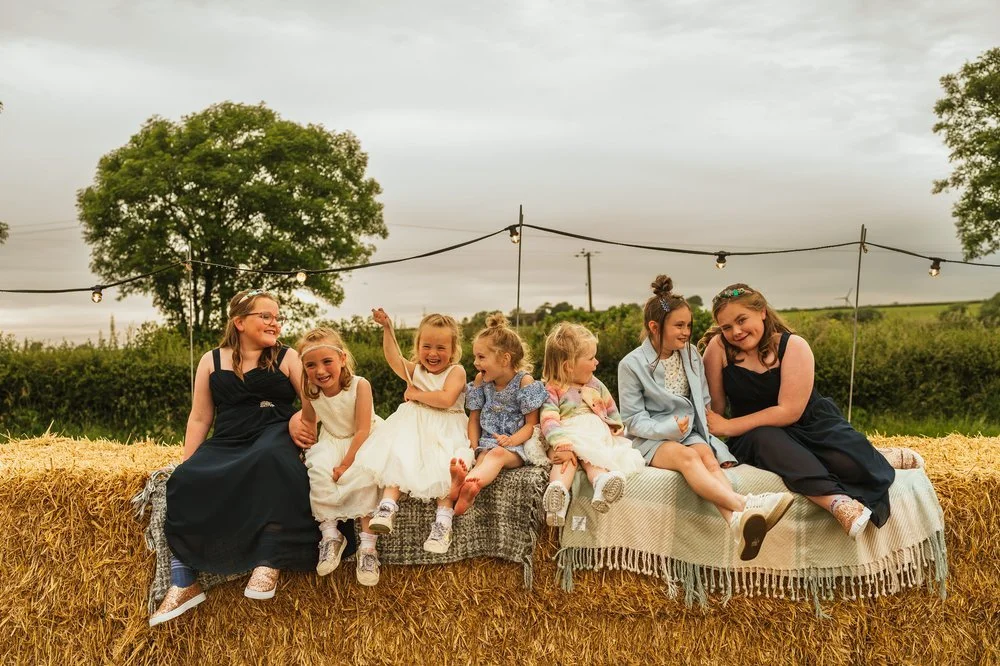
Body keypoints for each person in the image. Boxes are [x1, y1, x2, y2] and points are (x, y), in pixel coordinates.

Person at [152, 289, 345, 627]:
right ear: (239, 322)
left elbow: (315, 401)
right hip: (228, 437)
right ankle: (184, 579)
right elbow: (200, 417)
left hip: (273, 432)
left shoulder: (286, 358)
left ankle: (267, 560)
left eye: (277, 317)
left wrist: (294, 420)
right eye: (265, 316)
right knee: (184, 479)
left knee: (269, 459)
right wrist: (187, 460)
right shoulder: (211, 360)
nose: (274, 322)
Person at [618, 275, 794, 560]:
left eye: (689, 325)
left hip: (689, 432)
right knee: (688, 459)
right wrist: (668, 428)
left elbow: (703, 400)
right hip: (650, 438)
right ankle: (745, 505)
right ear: (654, 327)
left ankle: (736, 522)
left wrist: (708, 437)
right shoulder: (630, 365)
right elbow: (633, 419)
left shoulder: (690, 355)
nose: (687, 332)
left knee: (708, 459)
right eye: (679, 325)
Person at [701, 284, 896, 538]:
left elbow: (789, 411)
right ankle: (837, 503)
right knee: (768, 439)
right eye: (727, 327)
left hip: (811, 424)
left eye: (741, 320)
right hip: (755, 434)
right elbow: (714, 409)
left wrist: (727, 426)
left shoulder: (794, 346)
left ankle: (879, 455)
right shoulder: (718, 349)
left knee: (854, 466)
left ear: (761, 312)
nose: (735, 331)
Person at [353, 309, 475, 554]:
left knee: (444, 467)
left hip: (445, 429)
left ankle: (442, 524)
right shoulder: (415, 371)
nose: (432, 353)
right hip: (413, 427)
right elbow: (393, 358)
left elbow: (446, 398)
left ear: (453, 350)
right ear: (418, 346)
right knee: (398, 454)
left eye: (441, 347)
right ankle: (387, 507)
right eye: (426, 346)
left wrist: (415, 393)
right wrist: (388, 329)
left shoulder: (456, 371)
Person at [296, 327, 382, 586]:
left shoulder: (359, 385)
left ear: (343, 359)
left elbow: (363, 429)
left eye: (327, 362)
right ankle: (330, 535)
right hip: (331, 439)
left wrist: (346, 464)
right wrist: (306, 445)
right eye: (311, 365)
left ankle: (368, 548)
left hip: (362, 439)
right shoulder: (310, 391)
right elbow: (309, 421)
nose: (320, 371)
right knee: (318, 470)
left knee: (364, 475)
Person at [539, 322, 645, 527]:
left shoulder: (595, 384)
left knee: (593, 458)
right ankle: (557, 494)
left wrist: (616, 428)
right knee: (566, 460)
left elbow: (611, 407)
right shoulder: (554, 389)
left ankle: (601, 483)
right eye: (590, 358)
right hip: (568, 435)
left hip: (595, 435)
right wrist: (561, 442)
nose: (596, 362)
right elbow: (549, 418)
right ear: (568, 365)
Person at [449, 313, 547, 516]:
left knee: (496, 455)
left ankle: (466, 484)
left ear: (505, 359)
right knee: (485, 455)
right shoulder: (481, 381)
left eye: (481, 357)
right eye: (475, 356)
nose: (475, 362)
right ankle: (465, 490)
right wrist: (474, 448)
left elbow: (531, 425)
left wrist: (510, 440)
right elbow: (474, 418)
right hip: (487, 442)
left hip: (515, 447)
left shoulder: (524, 382)